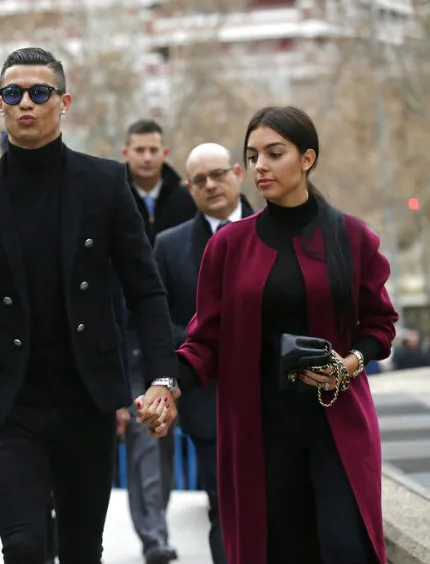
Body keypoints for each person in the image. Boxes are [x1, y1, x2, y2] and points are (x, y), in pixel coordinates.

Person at [0, 47, 179, 564]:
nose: (26, 102)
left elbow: (146, 289)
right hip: (7, 405)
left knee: (80, 550)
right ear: (0, 105)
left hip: (86, 399)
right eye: (13, 93)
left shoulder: (105, 183)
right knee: (25, 547)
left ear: (63, 101)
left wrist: (164, 377)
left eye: (39, 92)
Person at [140, 106, 397, 564]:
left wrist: (348, 364)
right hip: (258, 434)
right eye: (253, 155)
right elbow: (204, 340)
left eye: (274, 153)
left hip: (337, 428)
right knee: (276, 550)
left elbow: (378, 325)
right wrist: (166, 384)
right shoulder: (229, 246)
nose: (260, 166)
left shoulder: (353, 237)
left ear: (307, 158)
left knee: (346, 547)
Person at [153, 142, 254, 564]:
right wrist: (211, 337)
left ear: (237, 173)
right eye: (200, 180)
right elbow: (157, 324)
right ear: (189, 189)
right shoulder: (169, 246)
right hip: (207, 400)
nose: (211, 185)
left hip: (277, 396)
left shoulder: (279, 229)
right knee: (225, 507)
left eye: (218, 174)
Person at [120, 119, 197, 564]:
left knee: (168, 441)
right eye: (139, 149)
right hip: (130, 340)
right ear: (127, 152)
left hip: (180, 337)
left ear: (164, 153)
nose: (147, 157)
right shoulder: (112, 196)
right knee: (146, 439)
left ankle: (160, 522)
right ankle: (154, 536)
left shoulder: (185, 198)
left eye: (154, 149)